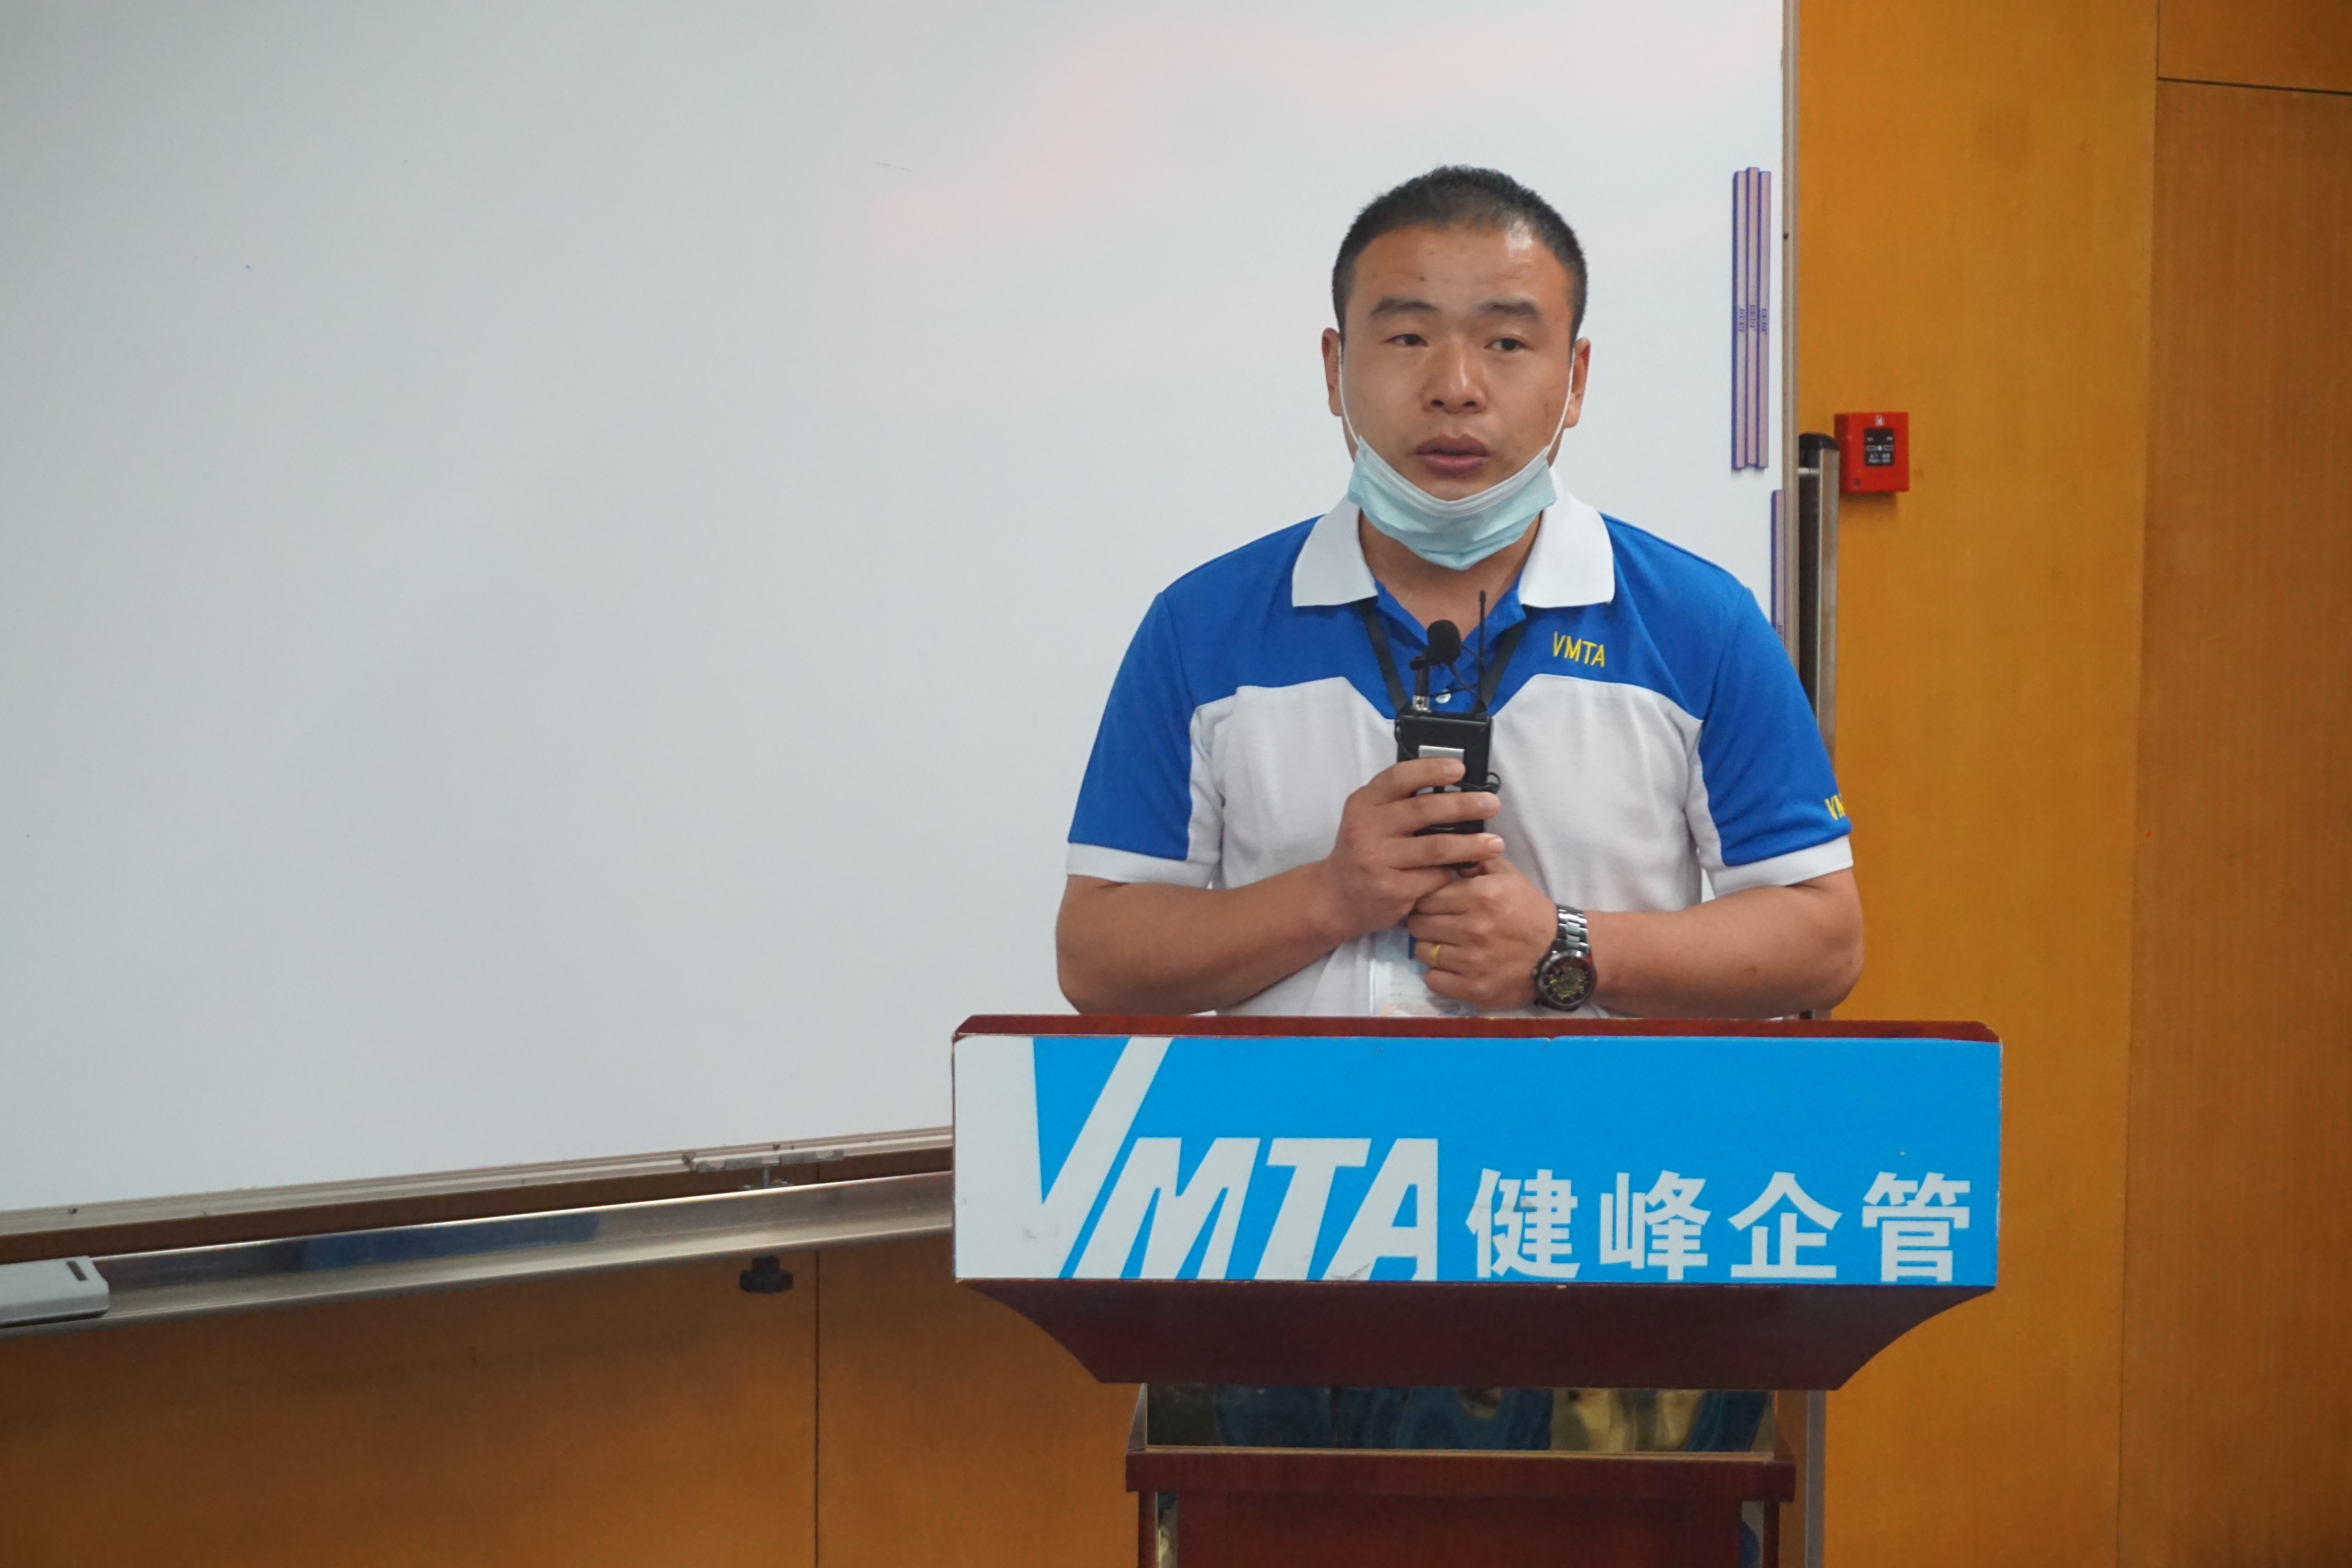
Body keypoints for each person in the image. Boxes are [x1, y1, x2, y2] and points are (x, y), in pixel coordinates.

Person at [1054, 167, 1857, 1472]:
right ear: (1336, 368)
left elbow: (1822, 936)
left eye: (1506, 341)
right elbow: (1099, 956)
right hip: (1274, 1262)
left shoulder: (1698, 622)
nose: (1456, 387)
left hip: (1606, 1253)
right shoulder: (1202, 628)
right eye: (1409, 336)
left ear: (1576, 379)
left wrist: (1568, 951)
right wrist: (1328, 898)